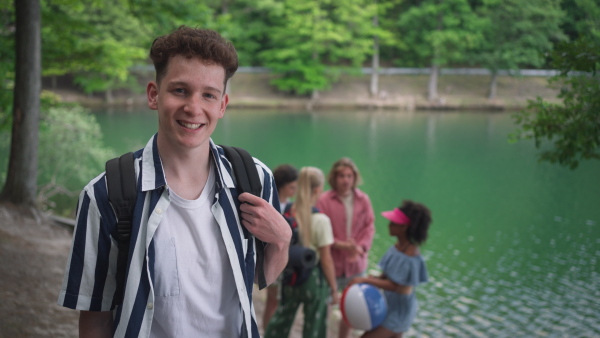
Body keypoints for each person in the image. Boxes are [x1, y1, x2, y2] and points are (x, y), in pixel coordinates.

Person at [57, 26, 291, 338]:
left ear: (222, 105)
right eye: (180, 90)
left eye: (208, 95)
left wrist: (283, 240)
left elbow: (258, 276)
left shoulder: (254, 178)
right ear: (154, 94)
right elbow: (95, 319)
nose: (194, 108)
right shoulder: (106, 194)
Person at [264, 167, 338, 338]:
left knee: (282, 318)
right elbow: (326, 259)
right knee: (314, 325)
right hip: (313, 279)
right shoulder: (321, 220)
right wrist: (334, 289)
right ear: (318, 189)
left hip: (290, 276)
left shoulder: (288, 212)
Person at [349, 200, 432, 338]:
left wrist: (365, 280)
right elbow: (388, 275)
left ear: (404, 227)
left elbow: (396, 286)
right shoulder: (397, 247)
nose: (389, 225)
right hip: (387, 304)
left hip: (398, 311)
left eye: (393, 223)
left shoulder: (411, 256)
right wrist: (375, 279)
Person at [316, 157, 375, 338]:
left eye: (349, 176)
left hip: (356, 265)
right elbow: (318, 230)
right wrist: (341, 244)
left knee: (351, 310)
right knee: (323, 307)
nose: (345, 180)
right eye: (341, 175)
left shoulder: (363, 199)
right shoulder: (324, 200)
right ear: (334, 177)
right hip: (330, 264)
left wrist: (360, 249)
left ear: (355, 177)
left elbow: (369, 227)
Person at [263, 164, 298, 329]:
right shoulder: (270, 203)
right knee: (272, 299)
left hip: (287, 257)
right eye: (292, 187)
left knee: (279, 300)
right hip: (272, 255)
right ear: (283, 186)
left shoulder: (292, 205)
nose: (295, 190)